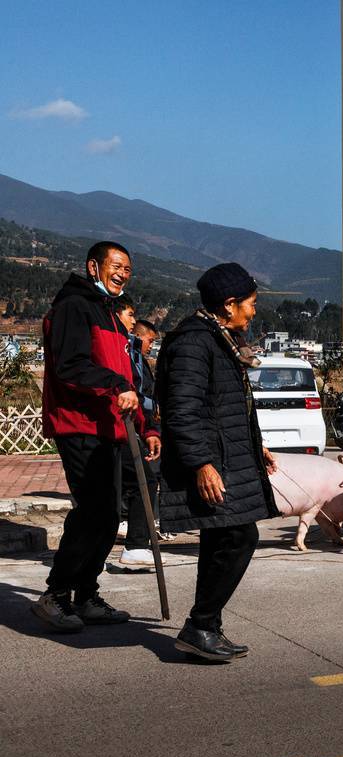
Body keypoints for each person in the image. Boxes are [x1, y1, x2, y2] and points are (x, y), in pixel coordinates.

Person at [32, 241, 160, 632]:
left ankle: (85, 594)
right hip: (79, 425)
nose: (123, 273)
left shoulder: (108, 313)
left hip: (112, 428)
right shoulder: (74, 307)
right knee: (94, 512)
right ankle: (56, 594)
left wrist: (145, 424)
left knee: (107, 517)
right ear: (94, 267)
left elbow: (129, 378)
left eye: (128, 269)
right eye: (116, 265)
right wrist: (111, 385)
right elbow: (69, 366)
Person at [156, 262, 278, 662]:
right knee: (239, 537)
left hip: (228, 456)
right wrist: (201, 464)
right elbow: (182, 410)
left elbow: (224, 406)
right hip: (212, 463)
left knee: (221, 537)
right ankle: (200, 625)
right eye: (251, 304)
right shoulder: (195, 342)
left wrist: (253, 446)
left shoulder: (217, 336)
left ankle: (206, 627)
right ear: (229, 305)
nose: (254, 311)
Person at [116, 310, 164, 569]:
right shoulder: (124, 351)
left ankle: (135, 541)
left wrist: (150, 429)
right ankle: (134, 541)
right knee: (143, 477)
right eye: (150, 341)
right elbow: (134, 390)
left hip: (138, 425)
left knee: (144, 476)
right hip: (119, 425)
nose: (151, 347)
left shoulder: (138, 357)